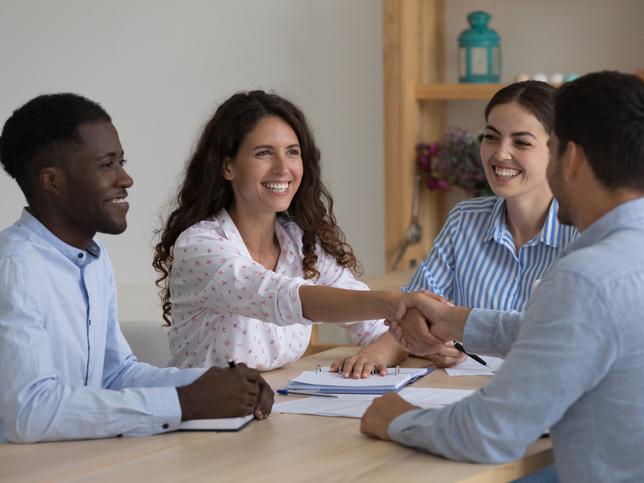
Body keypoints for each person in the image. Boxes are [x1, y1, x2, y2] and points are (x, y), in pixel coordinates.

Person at [361, 71, 644, 482]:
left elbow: (492, 433)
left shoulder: (585, 278)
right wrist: (455, 320)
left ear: (571, 159)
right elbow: (560, 334)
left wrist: (399, 420)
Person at [0, 93, 273, 443]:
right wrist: (184, 402)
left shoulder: (92, 260)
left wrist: (223, 385)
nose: (125, 179)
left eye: (121, 162)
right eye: (106, 165)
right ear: (51, 180)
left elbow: (115, 374)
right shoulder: (14, 269)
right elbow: (30, 412)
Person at [153, 90, 407, 378]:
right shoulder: (200, 246)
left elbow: (381, 328)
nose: (283, 168)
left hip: (277, 406)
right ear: (228, 166)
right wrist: (392, 302)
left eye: (292, 152)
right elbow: (280, 297)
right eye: (264, 153)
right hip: (207, 413)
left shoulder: (301, 243)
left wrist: (384, 349)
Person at [404, 80, 577, 367]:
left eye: (521, 142)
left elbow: (568, 336)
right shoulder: (465, 220)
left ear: (558, 151)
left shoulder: (584, 231)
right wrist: (427, 339)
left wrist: (454, 322)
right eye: (491, 137)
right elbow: (414, 305)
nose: (499, 154)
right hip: (458, 392)